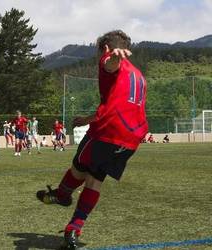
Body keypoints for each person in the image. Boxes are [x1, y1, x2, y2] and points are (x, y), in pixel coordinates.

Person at [36, 30, 148, 249]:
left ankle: (62, 195)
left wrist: (113, 57)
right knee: (95, 179)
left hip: (106, 132)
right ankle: (73, 230)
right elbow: (116, 106)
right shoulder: (139, 76)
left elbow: (110, 64)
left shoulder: (111, 60)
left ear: (105, 48)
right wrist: (87, 119)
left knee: (78, 169)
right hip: (131, 138)